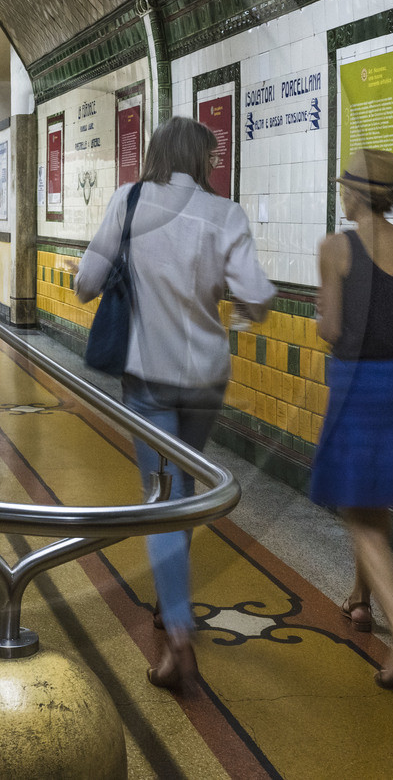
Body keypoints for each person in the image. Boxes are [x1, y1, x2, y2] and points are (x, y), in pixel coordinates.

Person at [72, 117, 275, 690]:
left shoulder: (131, 201)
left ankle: (179, 631)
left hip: (149, 374)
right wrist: (227, 304)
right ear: (202, 159)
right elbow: (257, 296)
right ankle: (172, 602)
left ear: (157, 153)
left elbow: (87, 281)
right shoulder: (226, 213)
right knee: (182, 491)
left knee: (163, 498)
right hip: (208, 377)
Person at [309, 148, 393, 690]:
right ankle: (360, 601)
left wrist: (321, 314)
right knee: (373, 501)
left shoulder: (336, 248)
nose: (340, 191)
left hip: (356, 387)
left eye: (343, 184)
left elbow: (333, 329)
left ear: (357, 193)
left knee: (359, 515)